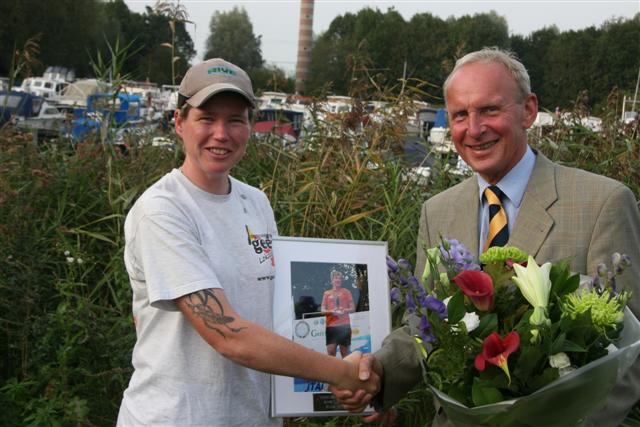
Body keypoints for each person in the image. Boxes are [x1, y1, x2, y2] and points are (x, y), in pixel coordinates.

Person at [332, 47, 640, 426]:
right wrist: (377, 373)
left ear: (528, 110)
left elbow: (629, 356)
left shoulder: (603, 203)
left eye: (490, 110)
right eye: (460, 115)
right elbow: (424, 324)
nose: (474, 129)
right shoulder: (438, 210)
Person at [116, 58, 379, 427]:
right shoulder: (162, 210)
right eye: (206, 118)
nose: (221, 134)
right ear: (179, 122)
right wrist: (343, 373)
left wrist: (362, 386)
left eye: (235, 120)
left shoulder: (255, 202)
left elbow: (279, 317)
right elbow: (228, 335)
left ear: (251, 126)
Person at [321, 270, 356, 358]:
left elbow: (353, 308)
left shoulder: (346, 292)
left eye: (340, 278)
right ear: (332, 280)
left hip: (344, 326)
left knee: (345, 354)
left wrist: (344, 310)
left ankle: (346, 367)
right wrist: (332, 311)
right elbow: (322, 310)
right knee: (331, 352)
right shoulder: (326, 293)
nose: (338, 280)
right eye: (336, 278)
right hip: (331, 326)